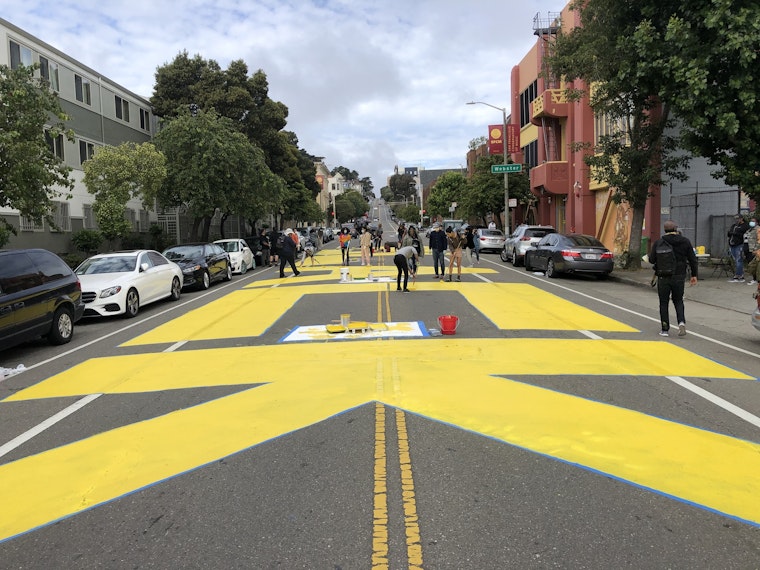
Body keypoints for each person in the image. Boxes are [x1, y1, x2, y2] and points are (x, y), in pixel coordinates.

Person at [649, 220, 698, 337]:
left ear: (664, 230)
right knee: (678, 300)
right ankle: (681, 322)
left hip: (663, 276)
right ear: (676, 229)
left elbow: (652, 260)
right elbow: (692, 259)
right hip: (679, 276)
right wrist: (694, 275)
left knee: (663, 302)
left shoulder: (659, 242)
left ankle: (665, 329)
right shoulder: (685, 241)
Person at [727, 214, 749, 282]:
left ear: (741, 218)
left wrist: (735, 234)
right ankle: (738, 274)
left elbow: (745, 235)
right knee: (735, 260)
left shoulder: (745, 226)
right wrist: (730, 233)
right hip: (732, 244)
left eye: (738, 218)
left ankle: (739, 276)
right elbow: (729, 233)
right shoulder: (734, 225)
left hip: (739, 244)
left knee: (739, 260)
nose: (737, 220)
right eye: (736, 219)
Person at [745, 216, 760, 285]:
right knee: (751, 264)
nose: (751, 222)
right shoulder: (750, 229)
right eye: (751, 221)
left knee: (754, 265)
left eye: (753, 221)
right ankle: (754, 278)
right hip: (748, 249)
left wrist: (756, 250)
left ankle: (755, 279)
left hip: (755, 250)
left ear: (757, 222)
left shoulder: (758, 229)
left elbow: (758, 241)